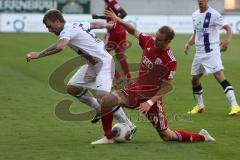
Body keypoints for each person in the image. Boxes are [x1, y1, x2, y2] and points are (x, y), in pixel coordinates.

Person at [91, 9, 215, 144]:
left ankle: (202, 137)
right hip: (136, 91)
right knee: (108, 100)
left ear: (168, 41)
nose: (156, 41)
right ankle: (108, 137)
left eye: (160, 40)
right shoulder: (150, 41)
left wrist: (149, 103)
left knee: (167, 136)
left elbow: (166, 86)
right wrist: (117, 19)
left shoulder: (170, 60)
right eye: (156, 37)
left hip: (152, 100)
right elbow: (133, 31)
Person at [25, 9, 136, 133]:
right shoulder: (75, 25)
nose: (49, 30)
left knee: (104, 98)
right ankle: (99, 108)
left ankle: (129, 124)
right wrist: (107, 25)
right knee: (72, 88)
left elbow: (61, 46)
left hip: (104, 63)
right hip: (92, 65)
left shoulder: (67, 30)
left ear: (57, 22)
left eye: (49, 26)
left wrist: (39, 55)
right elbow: (95, 25)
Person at [184, 0, 240, 115]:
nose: (201, 1)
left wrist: (226, 42)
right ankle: (200, 106)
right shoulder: (195, 15)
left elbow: (229, 29)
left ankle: (235, 106)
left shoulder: (214, 14)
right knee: (195, 80)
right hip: (199, 53)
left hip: (211, 52)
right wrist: (188, 44)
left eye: (203, 0)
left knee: (219, 76)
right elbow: (196, 34)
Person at [92, 0, 131, 86]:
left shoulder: (112, 2)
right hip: (121, 30)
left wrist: (114, 23)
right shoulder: (108, 3)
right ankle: (129, 80)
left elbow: (123, 13)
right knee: (120, 55)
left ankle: (117, 78)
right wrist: (98, 16)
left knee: (103, 54)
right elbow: (111, 16)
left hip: (114, 32)